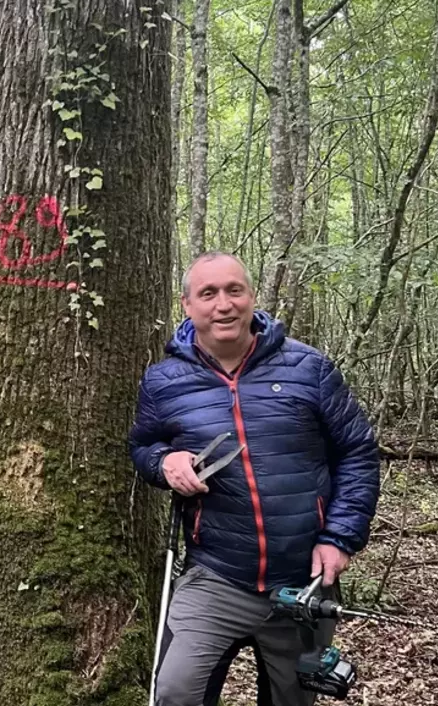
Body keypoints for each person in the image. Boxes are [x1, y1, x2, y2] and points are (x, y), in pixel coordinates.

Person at [129, 252, 379, 706]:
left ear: (252, 297)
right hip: (217, 574)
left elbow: (357, 453)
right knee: (175, 691)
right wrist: (165, 464)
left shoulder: (309, 369)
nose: (223, 304)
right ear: (187, 304)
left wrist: (340, 538)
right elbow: (143, 447)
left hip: (303, 578)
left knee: (293, 699)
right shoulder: (164, 381)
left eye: (233, 290)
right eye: (208, 294)